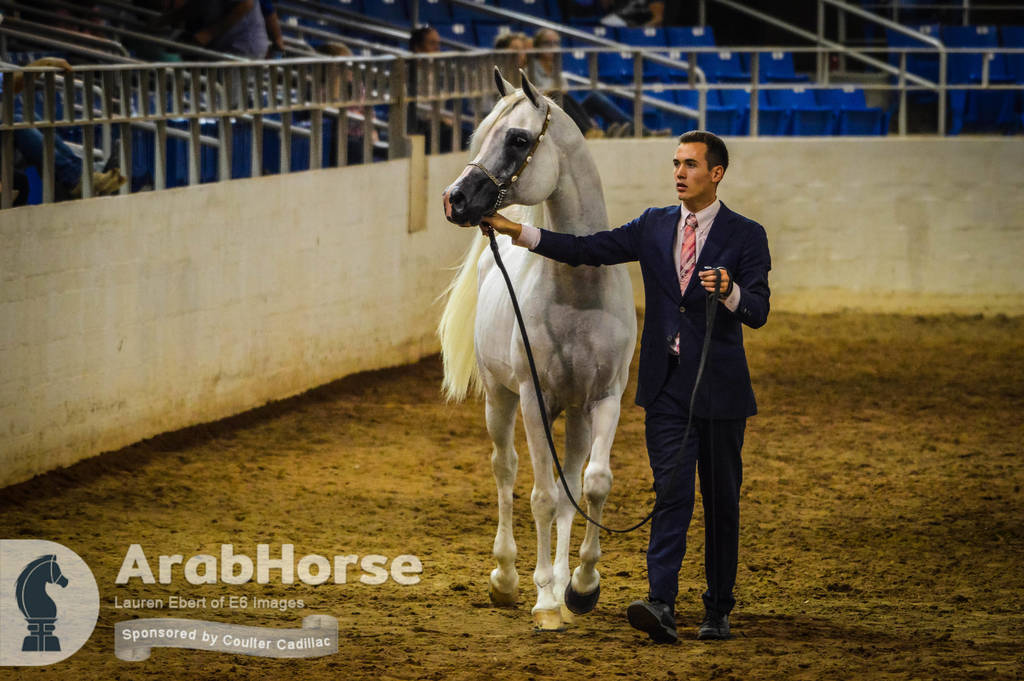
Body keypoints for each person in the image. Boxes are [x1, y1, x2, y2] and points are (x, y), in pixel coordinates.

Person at [474, 131, 771, 643]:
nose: (679, 173)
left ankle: (718, 607)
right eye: (676, 163)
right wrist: (515, 232)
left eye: (691, 165)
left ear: (716, 174)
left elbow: (759, 310)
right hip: (667, 391)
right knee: (671, 496)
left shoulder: (746, 235)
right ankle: (660, 602)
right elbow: (584, 249)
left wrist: (730, 291)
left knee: (721, 503)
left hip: (721, 393)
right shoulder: (653, 226)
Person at [529, 28, 634, 138]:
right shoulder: (531, 69)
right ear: (537, 46)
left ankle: (636, 129)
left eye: (556, 43)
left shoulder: (556, 69)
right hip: (545, 112)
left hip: (563, 109)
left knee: (593, 98)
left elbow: (565, 92)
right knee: (558, 95)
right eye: (547, 43)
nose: (553, 47)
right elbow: (538, 96)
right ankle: (590, 131)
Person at [158, 0, 269, 59]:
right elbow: (197, 5)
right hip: (220, 46)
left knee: (231, 98)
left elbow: (245, 4)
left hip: (242, 46)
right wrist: (166, 19)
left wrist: (209, 33)